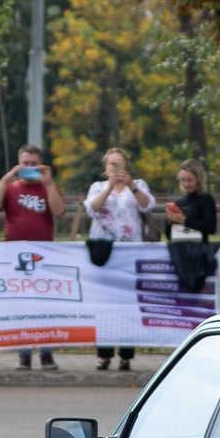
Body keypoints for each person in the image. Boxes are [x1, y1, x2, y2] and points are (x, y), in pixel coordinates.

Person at [0, 145, 64, 370]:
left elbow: (59, 211)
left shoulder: (47, 187)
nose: (29, 167)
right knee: (20, 306)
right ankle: (23, 353)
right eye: (25, 163)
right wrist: (6, 179)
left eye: (34, 164)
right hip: (14, 255)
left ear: (41, 164)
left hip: (44, 254)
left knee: (45, 306)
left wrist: (48, 182)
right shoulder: (11, 188)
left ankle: (46, 352)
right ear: (19, 163)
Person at [85, 148, 154, 372]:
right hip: (104, 251)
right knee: (104, 305)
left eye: (119, 163)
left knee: (128, 304)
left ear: (126, 165)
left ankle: (126, 356)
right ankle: (104, 355)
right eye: (111, 163)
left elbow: (147, 205)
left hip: (130, 252)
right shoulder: (98, 186)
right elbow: (92, 209)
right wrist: (108, 187)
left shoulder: (138, 184)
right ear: (105, 167)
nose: (115, 167)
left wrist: (131, 185)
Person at [164, 160, 220, 291]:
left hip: (200, 254)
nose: (186, 184)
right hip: (181, 253)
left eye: (190, 180)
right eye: (182, 180)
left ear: (198, 179)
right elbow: (170, 236)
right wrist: (169, 221)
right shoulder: (180, 202)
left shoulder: (206, 199)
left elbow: (211, 228)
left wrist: (184, 220)